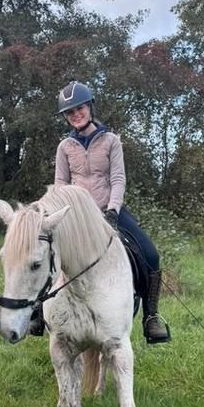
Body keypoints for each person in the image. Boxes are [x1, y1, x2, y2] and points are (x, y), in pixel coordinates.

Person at [54, 81, 170, 344]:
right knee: (45, 251)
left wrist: (113, 211)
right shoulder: (65, 148)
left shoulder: (111, 141)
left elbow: (118, 179)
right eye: (69, 113)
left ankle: (151, 317)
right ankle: (39, 313)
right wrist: (63, 214)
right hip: (77, 217)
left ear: (90, 107)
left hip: (110, 211)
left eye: (79, 109)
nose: (75, 115)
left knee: (150, 254)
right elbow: (61, 184)